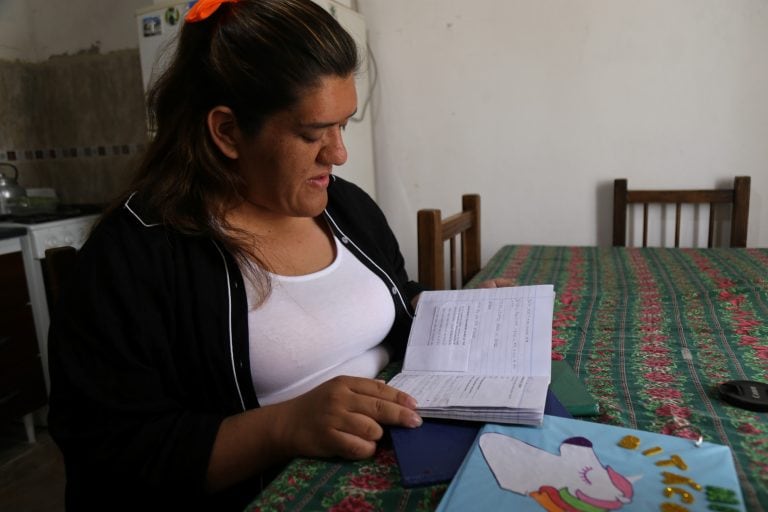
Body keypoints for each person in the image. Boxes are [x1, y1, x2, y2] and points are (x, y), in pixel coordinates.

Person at [48, 0, 511, 509]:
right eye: (313, 133)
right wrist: (285, 425)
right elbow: (110, 453)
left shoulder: (345, 206)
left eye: (344, 125)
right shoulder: (136, 257)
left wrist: (447, 312)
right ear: (227, 132)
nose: (337, 154)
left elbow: (393, 294)